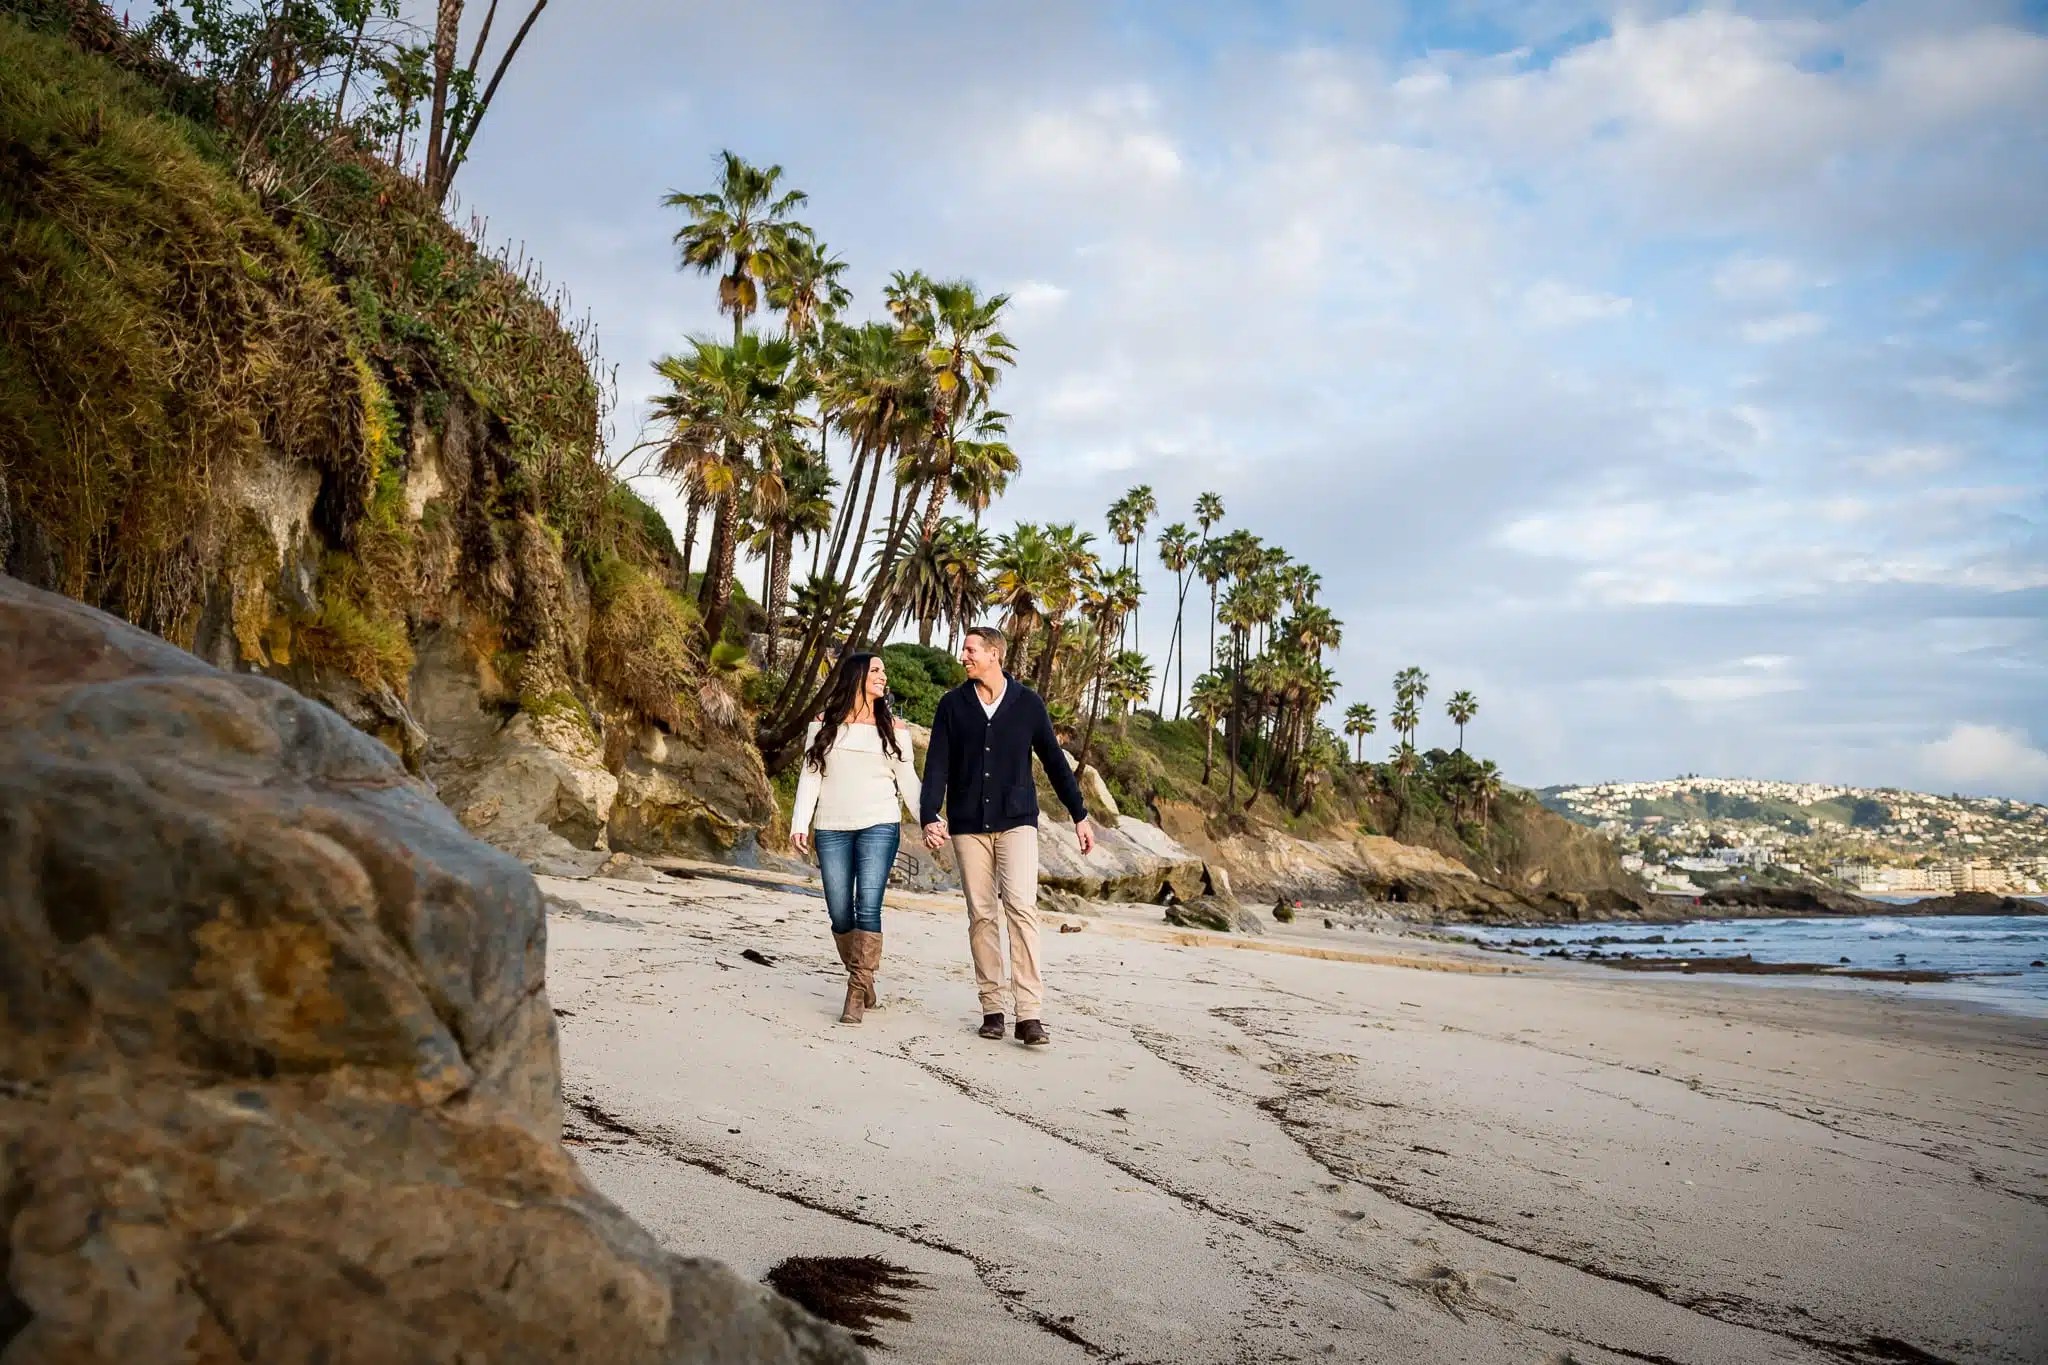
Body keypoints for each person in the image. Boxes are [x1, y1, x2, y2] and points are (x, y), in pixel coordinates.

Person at [920, 624, 1094, 1046]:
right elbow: (937, 763)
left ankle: (1029, 1015)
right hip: (966, 825)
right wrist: (929, 814)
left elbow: (1054, 761)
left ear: (995, 654)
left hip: (1017, 821)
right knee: (981, 915)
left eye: (971, 649)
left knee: (1021, 908)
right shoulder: (952, 705)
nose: (964, 656)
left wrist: (1080, 814)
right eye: (965, 649)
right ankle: (992, 1009)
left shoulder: (1027, 704)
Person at [791, 652, 923, 1025]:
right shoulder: (823, 725)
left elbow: (909, 783)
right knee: (838, 909)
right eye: (877, 670)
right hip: (831, 825)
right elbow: (810, 776)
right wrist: (800, 822)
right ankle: (864, 978)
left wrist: (929, 819)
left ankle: (855, 989)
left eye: (884, 671)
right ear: (858, 676)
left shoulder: (895, 729)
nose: (884, 676)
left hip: (879, 823)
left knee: (868, 905)